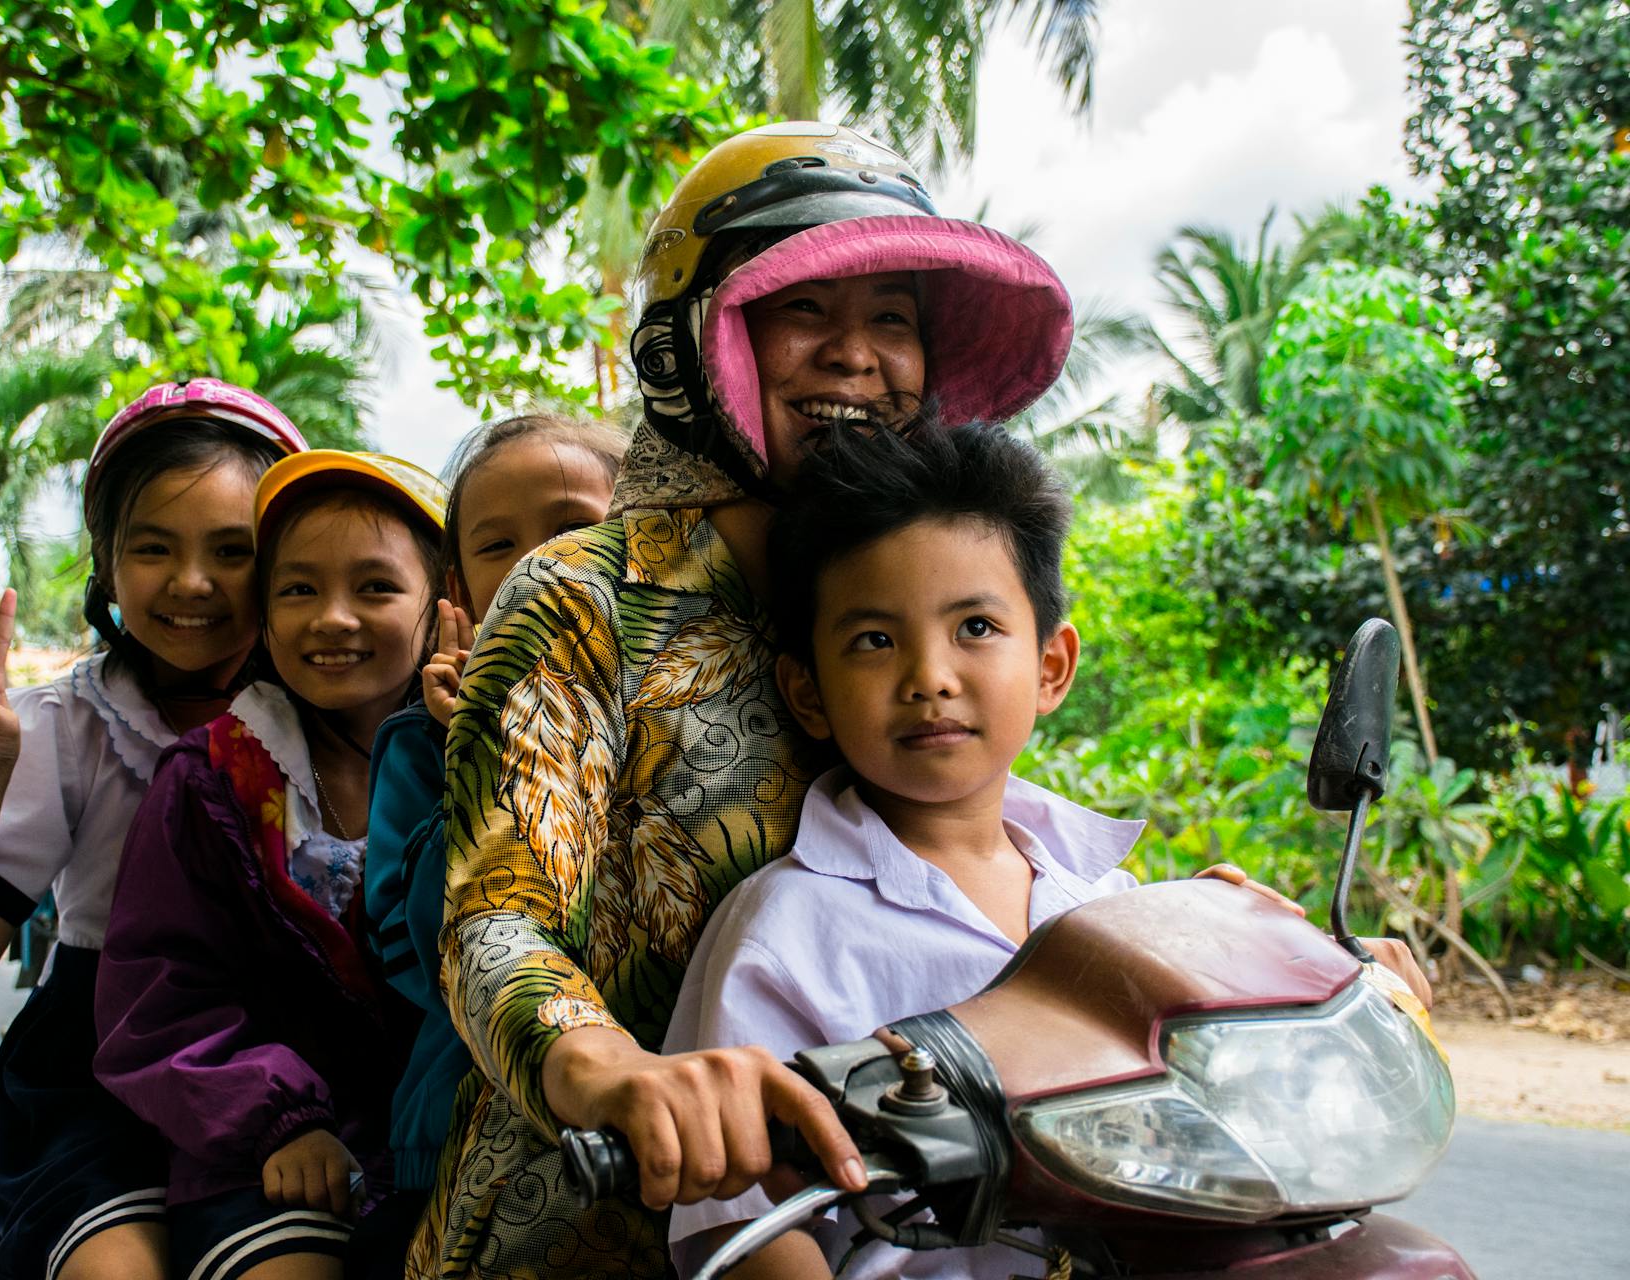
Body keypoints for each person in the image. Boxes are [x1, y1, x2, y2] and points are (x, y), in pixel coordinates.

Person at [410, 121, 1080, 1279]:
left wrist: (1181, 938)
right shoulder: (588, 592)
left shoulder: (920, 589)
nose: (858, 357)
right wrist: (614, 1072)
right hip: (585, 1225)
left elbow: (984, 831)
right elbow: (493, 918)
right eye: (807, 312)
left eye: (893, 319)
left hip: (894, 1231)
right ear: (696, 342)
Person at [661, 421, 1435, 1279]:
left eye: (977, 627)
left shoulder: (1113, 901)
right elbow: (739, 1226)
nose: (931, 676)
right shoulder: (785, 929)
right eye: (873, 640)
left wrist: (1274, 973)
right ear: (807, 690)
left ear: (1052, 666)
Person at [0, 379, 307, 1280]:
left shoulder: (327, 714)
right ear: (106, 565)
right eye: (153, 547)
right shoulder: (65, 727)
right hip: (95, 1075)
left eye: (232, 551)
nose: (192, 583)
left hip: (283, 1071)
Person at [95, 451, 448, 1280]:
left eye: (375, 588)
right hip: (261, 1158)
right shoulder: (210, 780)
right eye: (297, 590)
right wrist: (280, 1119)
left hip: (448, 1143)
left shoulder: (480, 758)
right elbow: (160, 994)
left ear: (444, 607)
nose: (332, 618)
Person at [361, 415, 625, 1211]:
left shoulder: (690, 718)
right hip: (460, 1137)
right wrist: (472, 749)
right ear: (459, 591)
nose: (538, 566)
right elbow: (414, 950)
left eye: (574, 529)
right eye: (497, 545)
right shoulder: (420, 747)